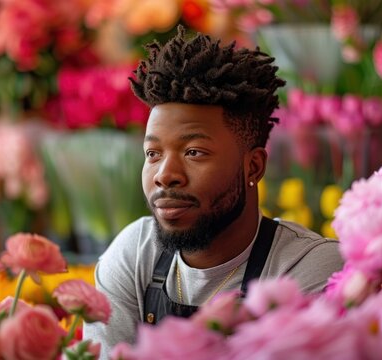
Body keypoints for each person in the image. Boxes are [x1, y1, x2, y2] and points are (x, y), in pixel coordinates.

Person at [83, 26, 344, 358]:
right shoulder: (135, 255)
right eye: (153, 154)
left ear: (253, 167)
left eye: (194, 152)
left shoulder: (306, 269)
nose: (165, 176)